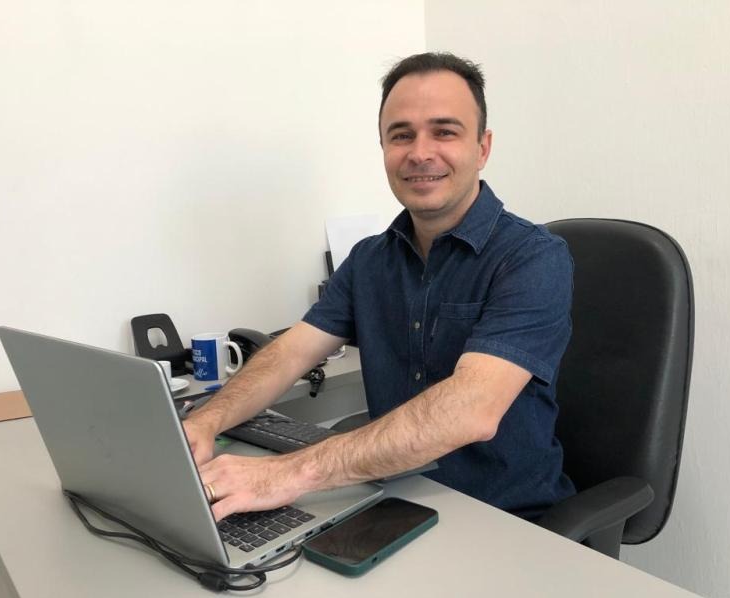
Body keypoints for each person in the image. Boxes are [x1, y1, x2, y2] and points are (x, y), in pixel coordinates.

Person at [183, 52, 575, 522]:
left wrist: (287, 473)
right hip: (393, 501)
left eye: (444, 132)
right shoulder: (369, 260)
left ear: (482, 148)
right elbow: (289, 354)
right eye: (401, 135)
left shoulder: (532, 258)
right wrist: (204, 422)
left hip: (506, 519)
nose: (420, 153)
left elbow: (472, 409)